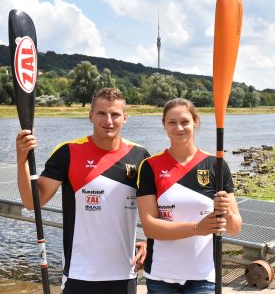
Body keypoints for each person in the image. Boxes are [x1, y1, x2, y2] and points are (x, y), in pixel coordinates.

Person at [16, 87, 150, 294]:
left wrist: (150, 241)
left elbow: (158, 207)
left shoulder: (140, 156)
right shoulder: (67, 153)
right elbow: (32, 201)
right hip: (80, 273)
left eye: (115, 114)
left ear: (125, 117)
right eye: (101, 113)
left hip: (125, 273)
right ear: (90, 116)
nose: (109, 120)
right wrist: (21, 159)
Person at [136, 98, 242, 294]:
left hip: (204, 276)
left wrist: (226, 211)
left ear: (196, 121)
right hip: (161, 276)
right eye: (172, 122)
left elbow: (235, 228)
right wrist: (196, 228)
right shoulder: (150, 166)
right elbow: (150, 227)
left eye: (185, 121)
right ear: (164, 125)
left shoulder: (216, 165)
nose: (179, 127)